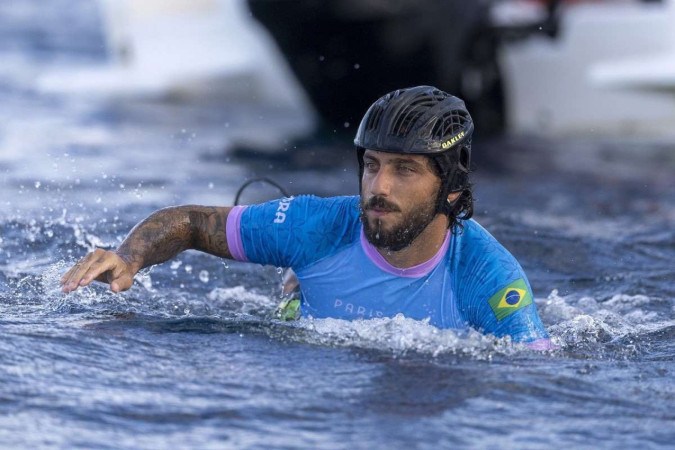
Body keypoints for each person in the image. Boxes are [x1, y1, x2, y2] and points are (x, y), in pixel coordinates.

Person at [61, 86, 551, 349]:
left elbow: (537, 381)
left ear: (452, 188)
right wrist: (129, 257)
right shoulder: (317, 224)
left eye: (405, 170)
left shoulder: (489, 279)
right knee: (292, 304)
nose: (379, 188)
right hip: (308, 340)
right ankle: (297, 287)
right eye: (372, 166)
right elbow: (190, 222)